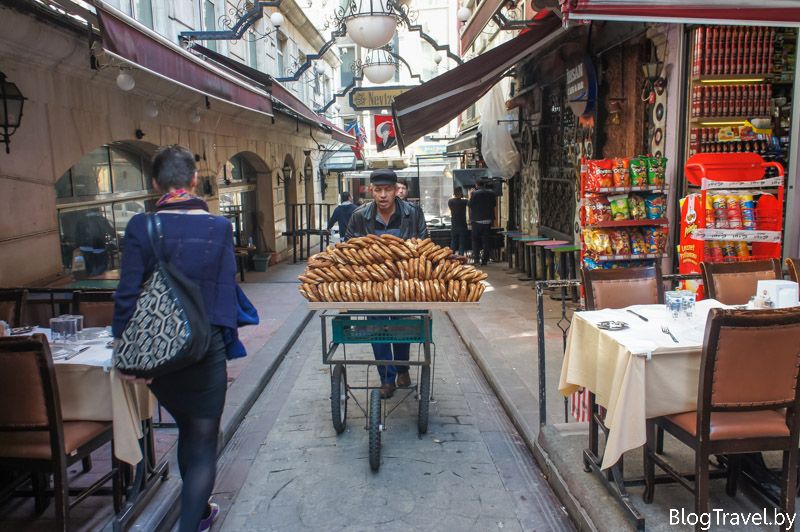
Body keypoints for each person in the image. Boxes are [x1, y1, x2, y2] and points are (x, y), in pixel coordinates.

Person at [113, 145, 239, 532]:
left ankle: (198, 513)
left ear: (155, 184)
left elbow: (127, 293)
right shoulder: (219, 228)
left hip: (161, 351)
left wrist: (127, 352)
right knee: (202, 436)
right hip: (206, 349)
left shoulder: (141, 226)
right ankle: (194, 522)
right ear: (194, 180)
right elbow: (225, 293)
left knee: (185, 426)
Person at [346, 169, 427, 399]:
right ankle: (387, 379)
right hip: (372, 285)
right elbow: (348, 248)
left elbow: (423, 243)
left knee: (402, 327)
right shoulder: (359, 216)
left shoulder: (413, 212)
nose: (383, 195)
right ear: (371, 191)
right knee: (377, 329)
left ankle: (402, 368)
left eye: (387, 190)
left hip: (404, 281)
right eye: (378, 190)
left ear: (396, 190)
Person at [75, 209, 116, 276]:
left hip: (84, 248)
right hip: (99, 247)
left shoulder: (81, 220)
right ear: (98, 211)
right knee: (101, 267)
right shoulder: (102, 219)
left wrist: (77, 246)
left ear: (87, 211)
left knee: (89, 268)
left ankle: (91, 277)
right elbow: (110, 231)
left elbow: (77, 235)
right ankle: (97, 278)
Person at [469, 179, 497, 266]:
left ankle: (476, 259)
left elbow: (470, 205)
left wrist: (470, 195)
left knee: (475, 240)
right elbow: (494, 204)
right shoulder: (491, 193)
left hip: (477, 221)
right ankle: (485, 260)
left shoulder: (474, 194)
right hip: (488, 221)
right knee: (486, 241)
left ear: (477, 185)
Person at [448, 188, 469, 256]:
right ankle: (460, 259)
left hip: (454, 226)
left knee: (453, 243)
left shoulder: (450, 201)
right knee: (461, 244)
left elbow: (453, 199)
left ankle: (451, 259)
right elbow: (470, 202)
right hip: (462, 226)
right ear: (461, 193)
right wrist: (469, 194)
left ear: (454, 193)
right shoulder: (464, 202)